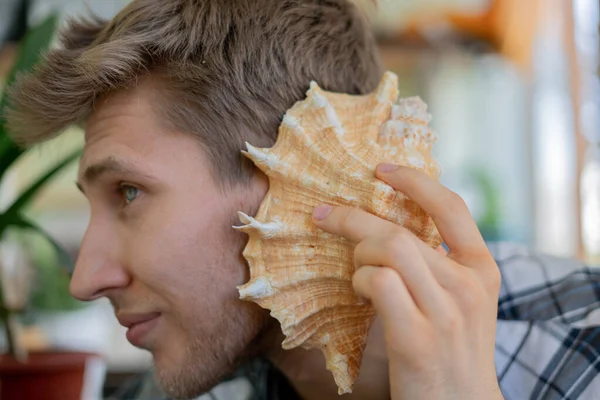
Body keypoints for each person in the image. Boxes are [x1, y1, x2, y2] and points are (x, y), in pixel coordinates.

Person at [7, 0, 562, 399]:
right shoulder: (185, 381)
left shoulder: (584, 350)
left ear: (303, 178)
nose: (84, 280)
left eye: (128, 193)